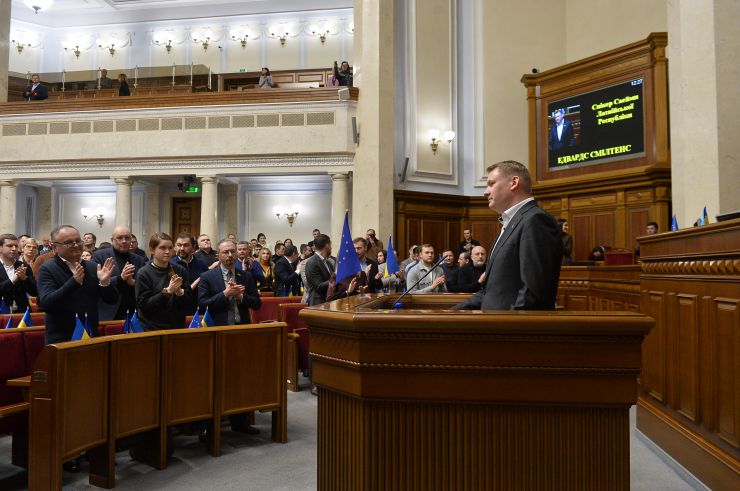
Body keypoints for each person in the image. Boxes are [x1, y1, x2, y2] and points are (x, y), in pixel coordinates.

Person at [452, 160, 562, 310]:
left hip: (510, 330)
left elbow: (534, 294)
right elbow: (492, 292)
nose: (485, 191)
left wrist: (505, 327)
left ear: (514, 182)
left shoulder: (535, 220)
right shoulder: (512, 222)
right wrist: (452, 313)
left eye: (491, 184)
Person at [198, 239, 261, 434]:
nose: (230, 255)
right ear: (219, 254)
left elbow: (257, 303)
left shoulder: (245, 275)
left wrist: (242, 297)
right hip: (217, 333)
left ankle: (239, 422)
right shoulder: (208, 276)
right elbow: (202, 305)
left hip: (241, 332)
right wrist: (225, 294)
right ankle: (210, 426)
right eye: (225, 252)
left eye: (233, 251)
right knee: (215, 380)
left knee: (239, 379)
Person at [37, 225, 118, 343]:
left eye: (78, 241)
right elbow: (46, 303)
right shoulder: (47, 268)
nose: (76, 245)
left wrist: (105, 282)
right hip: (62, 336)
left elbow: (111, 300)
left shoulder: (92, 266)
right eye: (69, 242)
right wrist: (73, 282)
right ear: (55, 246)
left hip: (90, 333)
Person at [135, 233, 192, 330]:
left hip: (176, 326)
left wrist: (179, 292)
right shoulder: (143, 273)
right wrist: (168, 292)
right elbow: (144, 306)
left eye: (170, 248)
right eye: (163, 248)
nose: (167, 251)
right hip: (152, 328)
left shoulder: (180, 270)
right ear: (152, 250)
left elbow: (189, 302)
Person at [92, 226, 148, 320]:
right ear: (112, 240)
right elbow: (95, 282)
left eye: (127, 238)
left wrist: (134, 282)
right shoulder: (100, 255)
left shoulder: (139, 259)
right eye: (119, 238)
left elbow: (145, 284)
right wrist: (120, 278)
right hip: (109, 311)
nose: (124, 241)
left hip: (133, 312)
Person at [0, 234, 39, 314]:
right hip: (2, 312)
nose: (14, 249)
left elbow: (34, 292)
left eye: (16, 246)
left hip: (22, 312)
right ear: (0, 248)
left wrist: (25, 278)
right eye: (9, 246)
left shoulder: (23, 265)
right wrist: (12, 280)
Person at [172, 232, 209, 297]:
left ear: (193, 247)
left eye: (186, 245)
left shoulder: (202, 264)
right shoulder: (170, 264)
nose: (182, 248)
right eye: (179, 245)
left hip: (198, 304)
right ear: (175, 246)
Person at [304, 234, 334, 306]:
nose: (331, 247)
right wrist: (335, 278)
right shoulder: (312, 262)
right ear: (326, 245)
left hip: (328, 300)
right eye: (330, 245)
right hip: (317, 303)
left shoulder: (328, 262)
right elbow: (318, 286)